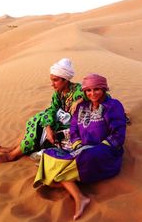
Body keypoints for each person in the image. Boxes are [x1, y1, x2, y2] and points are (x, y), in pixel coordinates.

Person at [33, 73, 126, 220]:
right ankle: (79, 196)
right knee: (48, 155)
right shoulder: (81, 106)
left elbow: (118, 135)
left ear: (104, 89)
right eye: (88, 90)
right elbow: (74, 128)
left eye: (96, 89)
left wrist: (97, 149)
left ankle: (65, 184)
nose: (92, 93)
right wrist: (77, 144)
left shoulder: (113, 106)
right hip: (80, 149)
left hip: (105, 152)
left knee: (70, 162)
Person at [0, 58, 86, 162]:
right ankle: (14, 148)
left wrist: (80, 100)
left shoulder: (78, 90)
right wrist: (48, 126)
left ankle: (12, 155)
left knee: (38, 125)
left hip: (70, 125)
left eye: (55, 80)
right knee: (36, 119)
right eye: (51, 80)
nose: (52, 84)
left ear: (66, 79)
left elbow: (94, 94)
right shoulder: (58, 93)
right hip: (60, 120)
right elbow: (52, 109)